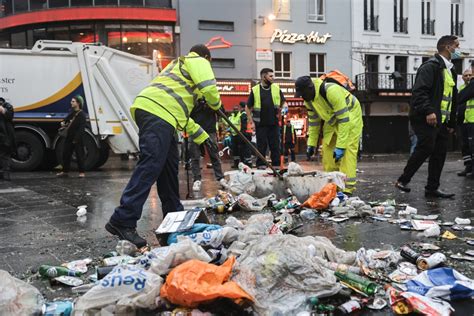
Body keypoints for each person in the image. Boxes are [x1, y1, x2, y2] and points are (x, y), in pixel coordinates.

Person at [105, 44, 222, 248]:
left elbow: (181, 116)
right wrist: (216, 104)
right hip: (157, 114)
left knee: (168, 172)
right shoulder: (198, 60)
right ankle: (122, 220)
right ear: (206, 57)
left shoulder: (177, 68)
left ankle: (174, 221)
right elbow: (210, 89)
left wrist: (203, 136)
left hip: (160, 113)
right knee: (151, 165)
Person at [395, 35, 459, 198]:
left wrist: (451, 121)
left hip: (442, 120)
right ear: (447, 47)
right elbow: (419, 92)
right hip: (426, 117)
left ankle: (432, 188)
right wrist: (429, 111)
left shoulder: (450, 69)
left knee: (439, 153)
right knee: (426, 147)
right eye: (456, 47)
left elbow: (452, 97)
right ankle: (402, 181)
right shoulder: (430, 66)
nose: (458, 50)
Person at [295, 76, 363, 195]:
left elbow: (344, 120)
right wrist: (311, 144)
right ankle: (332, 187)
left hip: (350, 117)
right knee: (327, 151)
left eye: (303, 93)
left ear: (310, 88)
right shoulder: (308, 100)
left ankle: (347, 189)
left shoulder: (331, 91)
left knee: (347, 153)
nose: (302, 97)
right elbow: (314, 123)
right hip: (332, 120)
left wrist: (341, 146)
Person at [247, 68, 286, 169]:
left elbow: (283, 101)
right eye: (271, 76)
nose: (273, 78)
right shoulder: (255, 90)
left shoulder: (276, 88)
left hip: (274, 123)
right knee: (261, 146)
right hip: (261, 124)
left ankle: (276, 166)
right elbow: (248, 107)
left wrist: (284, 107)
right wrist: (251, 122)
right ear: (264, 77)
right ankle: (261, 165)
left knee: (275, 146)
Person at [189, 98, 225, 192]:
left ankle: (220, 178)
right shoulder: (193, 100)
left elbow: (222, 112)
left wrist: (212, 104)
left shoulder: (211, 98)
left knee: (214, 155)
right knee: (195, 157)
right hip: (195, 131)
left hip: (210, 131)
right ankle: (197, 179)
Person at [56, 95, 86, 178]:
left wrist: (76, 139)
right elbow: (65, 120)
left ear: (78, 103)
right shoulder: (72, 113)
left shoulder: (82, 115)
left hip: (77, 139)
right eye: (71, 101)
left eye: (73, 101)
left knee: (79, 155)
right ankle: (65, 171)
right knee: (66, 154)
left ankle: (82, 172)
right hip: (69, 137)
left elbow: (81, 129)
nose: (71, 103)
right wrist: (63, 122)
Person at [457, 63, 474, 178]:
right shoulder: (462, 88)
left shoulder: (470, 87)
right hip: (465, 121)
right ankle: (468, 167)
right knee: (465, 146)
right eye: (466, 75)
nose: (468, 77)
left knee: (472, 146)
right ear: (462, 77)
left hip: (473, 120)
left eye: (470, 75)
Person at [0, 97, 15, 181]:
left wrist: (3, 110)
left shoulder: (7, 106)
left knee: (4, 154)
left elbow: (10, 116)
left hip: (4, 135)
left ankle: (5, 174)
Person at [239, 101, 253, 166]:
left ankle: (247, 162)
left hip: (246, 133)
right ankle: (247, 161)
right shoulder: (248, 113)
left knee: (246, 148)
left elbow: (244, 125)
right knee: (247, 147)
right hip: (248, 132)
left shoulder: (243, 114)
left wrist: (243, 133)